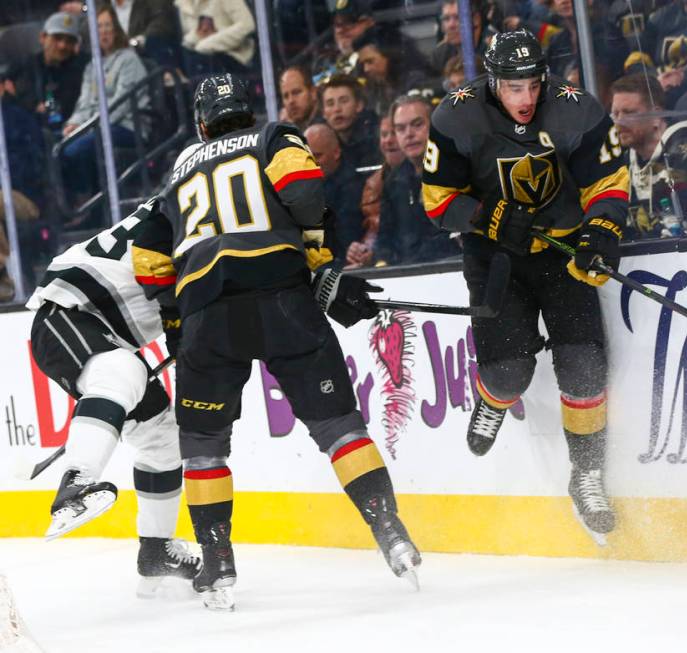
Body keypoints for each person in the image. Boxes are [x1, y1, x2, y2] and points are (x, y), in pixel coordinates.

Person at [132, 74, 421, 611]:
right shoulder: (271, 137)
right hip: (281, 299)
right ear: (248, 109)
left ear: (201, 123)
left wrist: (176, 320)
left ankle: (217, 565)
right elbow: (306, 195)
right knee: (338, 427)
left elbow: (147, 258)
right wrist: (319, 261)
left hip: (207, 316)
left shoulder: (176, 170)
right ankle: (392, 532)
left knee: (202, 446)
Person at [421, 29, 630, 539]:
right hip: (496, 259)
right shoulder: (456, 116)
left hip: (561, 252)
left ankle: (586, 475)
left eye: (533, 85)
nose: (526, 98)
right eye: (514, 88)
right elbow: (436, 200)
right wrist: (491, 217)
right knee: (510, 372)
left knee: (583, 367)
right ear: (492, 82)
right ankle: (492, 401)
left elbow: (609, 181)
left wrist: (601, 231)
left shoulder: (576, 109)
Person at [26, 198, 201, 594]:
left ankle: (157, 552)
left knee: (162, 437)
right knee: (122, 369)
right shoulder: (200, 202)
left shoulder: (194, 195)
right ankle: (76, 486)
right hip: (70, 312)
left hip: (99, 324)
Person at [62, 4, 148, 212]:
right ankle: (77, 202)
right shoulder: (92, 66)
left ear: (117, 29)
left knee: (77, 148)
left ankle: (87, 204)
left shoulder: (129, 60)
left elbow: (120, 105)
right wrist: (74, 123)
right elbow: (84, 103)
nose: (104, 32)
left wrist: (86, 127)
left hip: (126, 126)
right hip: (95, 126)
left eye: (108, 26)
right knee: (59, 142)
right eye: (99, 27)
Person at [610, 72, 687, 238]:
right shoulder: (625, 161)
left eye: (629, 113)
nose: (619, 121)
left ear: (656, 116)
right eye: (615, 114)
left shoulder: (681, 150)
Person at [372, 95, 460, 266]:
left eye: (417, 124)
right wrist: (382, 261)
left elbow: (456, 239)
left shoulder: (458, 170)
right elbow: (385, 237)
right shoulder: (394, 180)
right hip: (407, 276)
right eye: (400, 128)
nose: (409, 134)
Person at [3, 11, 87, 135]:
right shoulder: (25, 64)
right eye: (57, 38)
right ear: (43, 37)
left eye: (69, 41)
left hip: (66, 131)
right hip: (25, 130)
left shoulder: (81, 67)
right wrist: (31, 106)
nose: (62, 46)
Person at [345, 113, 405, 268]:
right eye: (384, 134)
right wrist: (361, 251)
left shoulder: (425, 176)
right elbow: (373, 232)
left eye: (394, 133)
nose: (388, 140)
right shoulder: (373, 184)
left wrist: (375, 254)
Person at [304, 123, 369, 262]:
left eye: (317, 156)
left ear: (336, 153)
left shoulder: (354, 188)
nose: (311, 163)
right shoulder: (303, 188)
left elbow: (346, 239)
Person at [176, 0, 255, 78]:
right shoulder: (183, 3)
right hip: (198, 63)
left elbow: (247, 25)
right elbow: (193, 34)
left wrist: (207, 44)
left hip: (233, 61)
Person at [319, 74, 381, 170]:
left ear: (359, 105)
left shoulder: (377, 137)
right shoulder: (323, 143)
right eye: (330, 104)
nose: (337, 109)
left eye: (344, 101)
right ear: (323, 113)